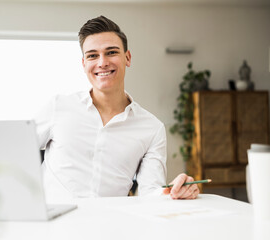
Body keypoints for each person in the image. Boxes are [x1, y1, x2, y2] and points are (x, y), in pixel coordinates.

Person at [35, 15, 199, 202]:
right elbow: (15, 153)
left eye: (111, 52)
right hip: (53, 225)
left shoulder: (152, 129)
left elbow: (150, 192)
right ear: (84, 64)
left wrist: (174, 192)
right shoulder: (58, 107)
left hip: (111, 225)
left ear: (127, 58)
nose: (102, 62)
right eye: (92, 55)